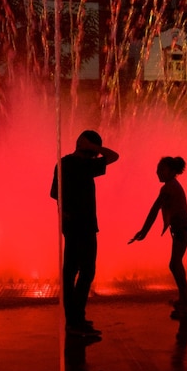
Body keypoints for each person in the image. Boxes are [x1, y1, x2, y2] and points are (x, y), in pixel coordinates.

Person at [51, 130, 119, 337]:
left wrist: (65, 215)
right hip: (85, 225)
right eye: (93, 149)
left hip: (71, 225)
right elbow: (114, 156)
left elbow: (55, 194)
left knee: (70, 271)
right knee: (86, 271)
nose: (96, 155)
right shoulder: (84, 165)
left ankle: (73, 319)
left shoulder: (63, 163)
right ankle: (75, 319)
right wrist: (92, 147)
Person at [129, 156, 187, 318]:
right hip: (182, 228)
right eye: (158, 169)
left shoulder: (169, 188)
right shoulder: (171, 185)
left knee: (175, 264)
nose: (158, 172)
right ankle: (184, 300)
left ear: (172, 171)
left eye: (162, 170)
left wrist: (144, 231)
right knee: (175, 264)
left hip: (183, 229)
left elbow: (154, 209)